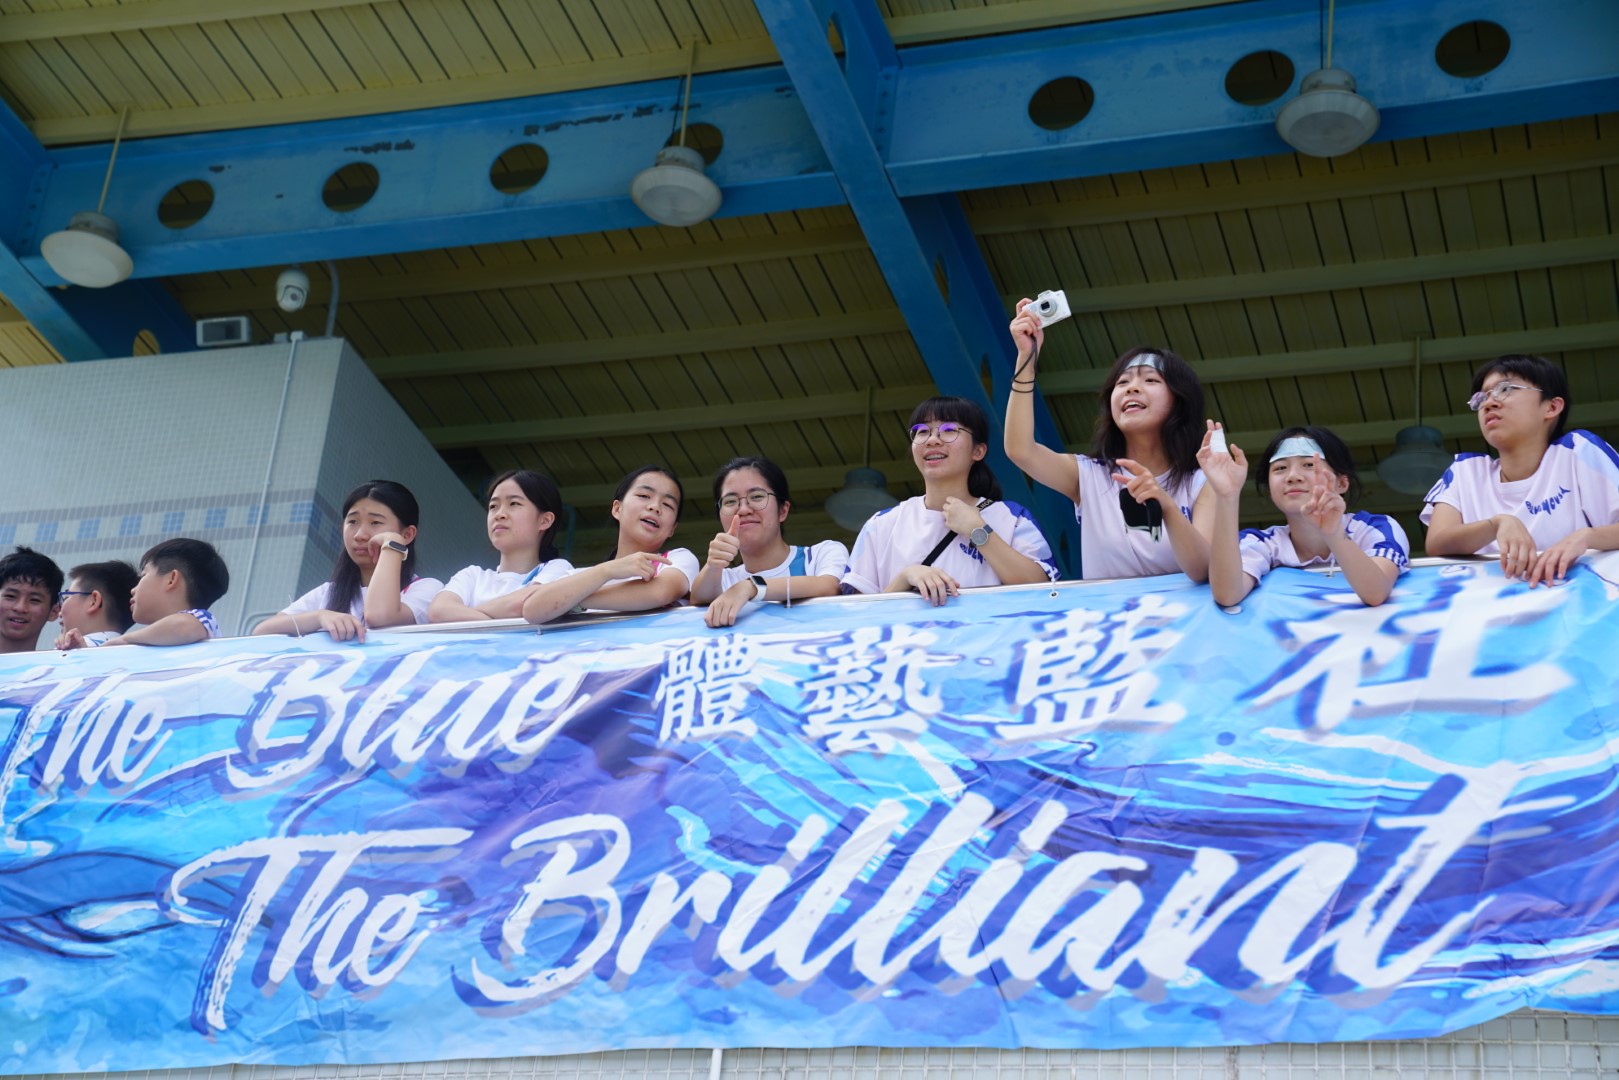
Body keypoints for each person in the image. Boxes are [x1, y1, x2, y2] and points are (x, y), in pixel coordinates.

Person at [1004, 299, 1213, 581]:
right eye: (1122, 382)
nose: (1131, 388)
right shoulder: (1089, 475)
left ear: (1180, 401)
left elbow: (1203, 570)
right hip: (1105, 612)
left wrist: (1166, 506)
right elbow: (1020, 450)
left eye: (1150, 380)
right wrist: (1026, 358)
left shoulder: (1201, 482)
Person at [1423, 354, 1619, 585]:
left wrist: (1585, 537)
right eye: (1481, 397)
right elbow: (1436, 543)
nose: (1489, 403)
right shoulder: (1465, 470)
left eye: (1505, 389)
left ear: (1551, 407)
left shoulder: (1577, 450)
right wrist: (1497, 524)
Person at [841, 396, 1058, 604]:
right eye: (922, 431)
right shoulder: (881, 525)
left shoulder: (1011, 518)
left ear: (978, 451)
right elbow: (859, 617)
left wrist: (978, 531)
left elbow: (1044, 591)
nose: (932, 439)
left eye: (949, 430)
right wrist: (906, 577)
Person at [1203, 425, 1408, 608]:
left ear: (1342, 483)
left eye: (1309, 465)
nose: (1293, 476)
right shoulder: (1259, 542)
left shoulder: (1377, 528)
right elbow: (1227, 595)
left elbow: (1376, 593)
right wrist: (1227, 496)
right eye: (1280, 468)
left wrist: (1333, 532)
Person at [255, 480, 441, 641]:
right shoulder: (328, 592)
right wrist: (320, 617)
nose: (360, 534)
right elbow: (262, 631)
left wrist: (393, 546)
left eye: (375, 523)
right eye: (352, 522)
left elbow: (380, 616)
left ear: (407, 534)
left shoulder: (426, 588)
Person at [522, 466, 698, 624]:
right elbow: (532, 609)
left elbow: (660, 592)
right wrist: (607, 571)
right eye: (644, 496)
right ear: (617, 509)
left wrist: (574, 600)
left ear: (672, 528)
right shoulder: (578, 576)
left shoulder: (677, 559)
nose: (655, 507)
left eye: (667, 504)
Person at [689, 456, 848, 627]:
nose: (743, 509)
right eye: (730, 501)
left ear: (783, 510)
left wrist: (751, 587)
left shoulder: (820, 554)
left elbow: (830, 586)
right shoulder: (722, 578)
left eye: (756, 496)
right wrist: (713, 565)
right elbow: (698, 599)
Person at [428, 470, 572, 623]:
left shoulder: (558, 569)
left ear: (545, 520)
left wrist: (467, 614)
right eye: (493, 506)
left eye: (514, 503)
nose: (499, 514)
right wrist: (494, 619)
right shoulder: (472, 576)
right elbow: (438, 611)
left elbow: (526, 605)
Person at [84, 538, 230, 647]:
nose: (133, 589)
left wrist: (124, 640)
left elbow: (180, 627)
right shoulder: (152, 640)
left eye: (143, 575)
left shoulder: (203, 621)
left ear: (171, 579)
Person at [54, 560, 138, 649]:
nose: (59, 613)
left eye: (66, 597)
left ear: (94, 601)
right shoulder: (135, 652)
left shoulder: (63, 652)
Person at [0, 546, 63, 654]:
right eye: (11, 596)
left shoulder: (59, 665)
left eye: (34, 600)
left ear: (54, 612)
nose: (20, 608)